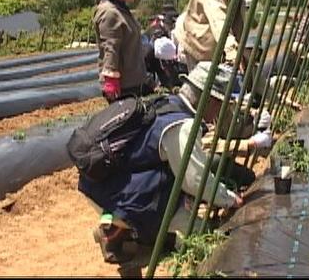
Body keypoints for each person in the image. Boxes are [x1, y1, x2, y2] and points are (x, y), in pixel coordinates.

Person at [79, 61, 271, 263]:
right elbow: (195, 180)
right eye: (221, 105)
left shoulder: (167, 103)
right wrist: (230, 199)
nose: (219, 113)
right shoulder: (182, 125)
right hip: (118, 197)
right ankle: (126, 229)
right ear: (209, 100)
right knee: (206, 237)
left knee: (177, 196)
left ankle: (118, 230)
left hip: (101, 186)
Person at [93, 0, 155, 103]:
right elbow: (111, 46)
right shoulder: (110, 13)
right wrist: (110, 79)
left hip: (131, 81)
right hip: (123, 85)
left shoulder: (120, 9)